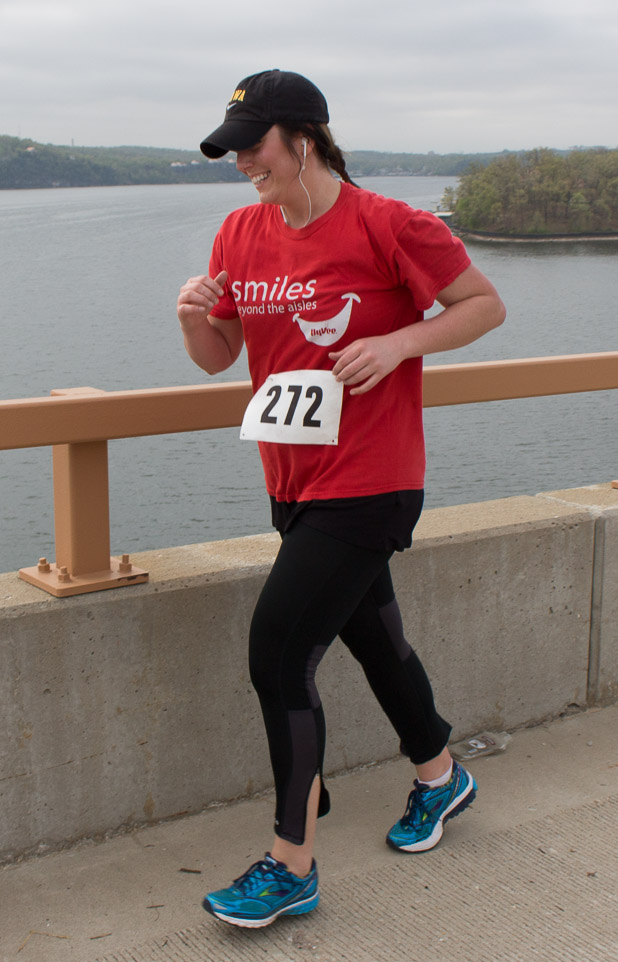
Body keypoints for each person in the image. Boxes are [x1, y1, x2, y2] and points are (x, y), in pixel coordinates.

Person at [177, 69, 506, 929]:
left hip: (372, 479)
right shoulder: (239, 231)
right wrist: (192, 316)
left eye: (254, 145)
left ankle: (292, 864)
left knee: (279, 656)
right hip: (292, 480)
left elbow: (483, 305)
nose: (243, 162)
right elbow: (218, 356)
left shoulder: (389, 223)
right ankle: (441, 775)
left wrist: (400, 343)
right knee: (374, 638)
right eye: (233, 149)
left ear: (305, 139)